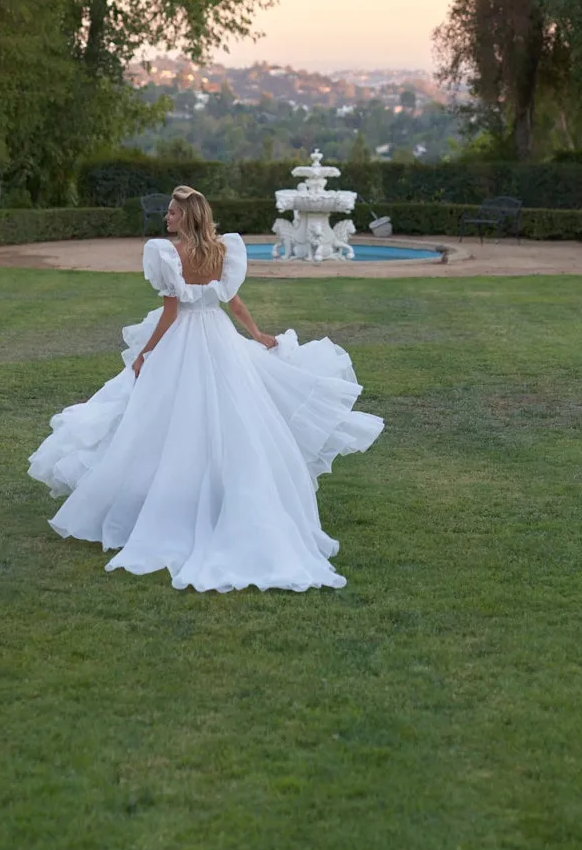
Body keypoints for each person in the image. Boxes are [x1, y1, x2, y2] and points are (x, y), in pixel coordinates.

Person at [28, 184, 383, 592]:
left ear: (188, 217)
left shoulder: (170, 253)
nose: (167, 218)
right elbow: (233, 303)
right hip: (218, 336)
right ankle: (217, 496)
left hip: (184, 337)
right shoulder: (222, 250)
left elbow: (170, 312)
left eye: (173, 214)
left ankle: (171, 502)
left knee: (168, 418)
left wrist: (146, 352)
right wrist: (256, 334)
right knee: (226, 415)